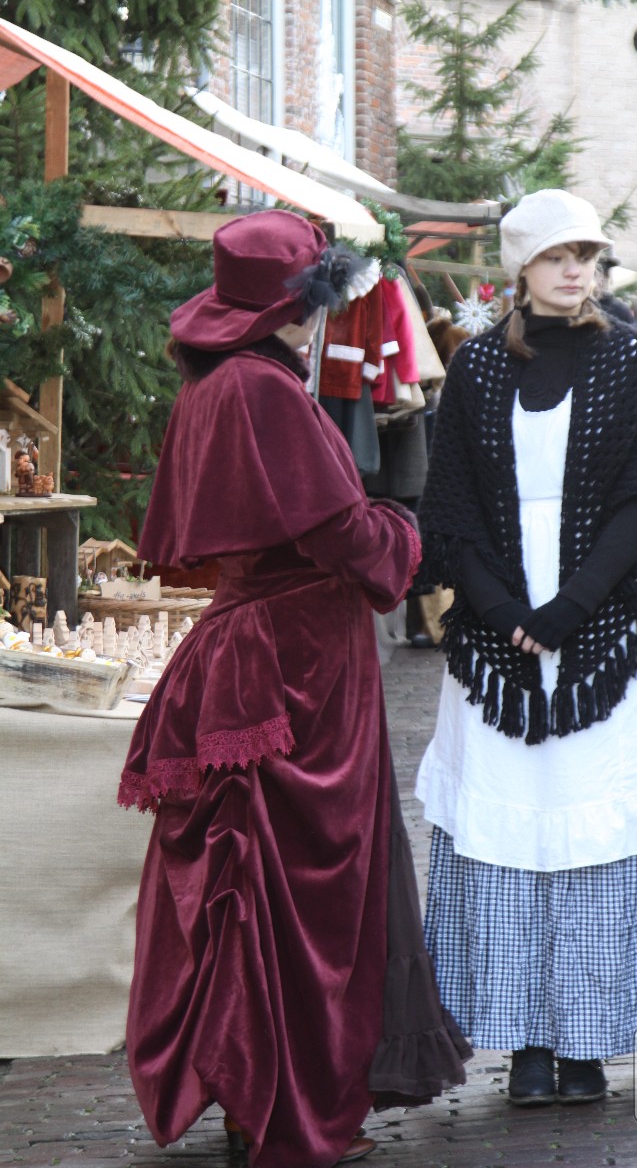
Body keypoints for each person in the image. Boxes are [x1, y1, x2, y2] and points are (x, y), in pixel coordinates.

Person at [117, 209, 470, 1168]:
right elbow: (338, 532)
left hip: (259, 646)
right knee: (305, 887)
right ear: (297, 305)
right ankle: (288, 1110)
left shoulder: (216, 384)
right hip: (297, 665)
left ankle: (261, 1102)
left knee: (268, 885)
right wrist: (404, 534)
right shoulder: (261, 389)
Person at [415, 188, 637, 1108]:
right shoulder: (475, 370)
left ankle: (589, 1042)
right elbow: (452, 507)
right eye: (555, 254)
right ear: (521, 267)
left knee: (596, 823)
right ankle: (527, 1046)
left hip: (606, 619)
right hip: (498, 631)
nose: (576, 269)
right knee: (510, 828)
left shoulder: (634, 358)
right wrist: (505, 608)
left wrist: (573, 606)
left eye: (587, 253)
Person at [593, 248, 633, 322]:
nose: (601, 279)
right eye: (594, 272)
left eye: (605, 273)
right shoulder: (572, 307)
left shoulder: (620, 311)